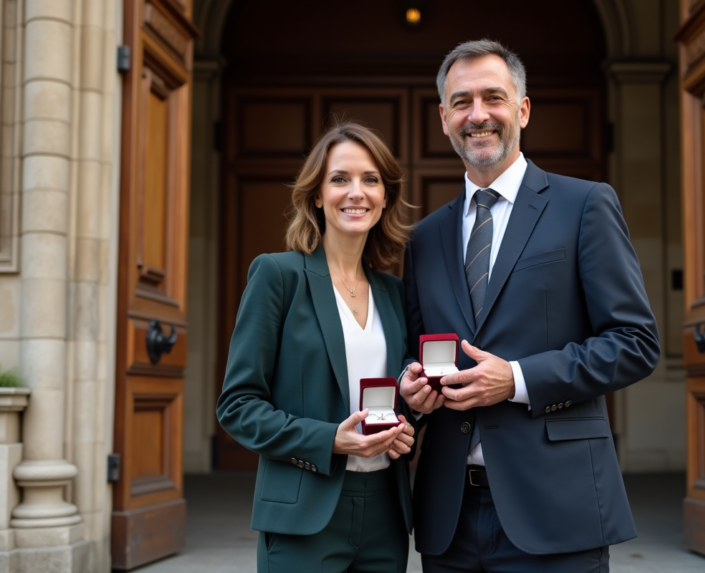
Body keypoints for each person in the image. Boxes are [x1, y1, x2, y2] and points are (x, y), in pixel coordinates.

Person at [399, 40, 661, 573]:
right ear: (444, 118)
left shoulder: (585, 205)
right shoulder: (424, 239)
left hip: (557, 509)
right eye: (462, 101)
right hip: (447, 519)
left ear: (522, 109)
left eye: (493, 98)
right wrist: (410, 387)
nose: (478, 115)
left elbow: (635, 344)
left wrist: (516, 379)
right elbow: (414, 351)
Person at [217, 122, 416, 572]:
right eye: (340, 179)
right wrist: (331, 440)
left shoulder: (394, 292)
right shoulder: (277, 276)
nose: (356, 192)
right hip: (303, 512)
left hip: (387, 511)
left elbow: (396, 394)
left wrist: (409, 421)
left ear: (385, 197)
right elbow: (238, 405)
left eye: (370, 180)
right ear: (316, 196)